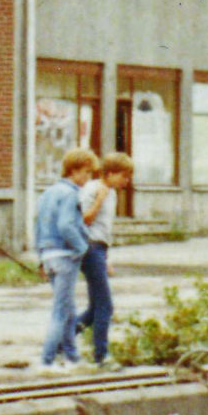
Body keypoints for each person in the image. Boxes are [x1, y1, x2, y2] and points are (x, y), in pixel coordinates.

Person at [34, 149, 95, 369]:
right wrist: (83, 247)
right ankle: (47, 361)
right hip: (65, 256)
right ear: (74, 171)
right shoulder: (71, 194)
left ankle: (72, 357)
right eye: (86, 172)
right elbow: (67, 225)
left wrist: (40, 257)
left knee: (69, 309)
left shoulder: (48, 193)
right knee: (60, 312)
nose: (88, 177)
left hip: (48, 255)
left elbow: (38, 226)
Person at [80, 152, 129, 366]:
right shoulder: (93, 189)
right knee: (105, 305)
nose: (126, 181)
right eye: (123, 176)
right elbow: (83, 219)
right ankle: (101, 355)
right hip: (89, 248)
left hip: (99, 249)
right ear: (109, 173)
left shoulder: (112, 193)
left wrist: (106, 257)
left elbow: (105, 229)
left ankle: (61, 343)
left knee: (94, 309)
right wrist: (99, 200)